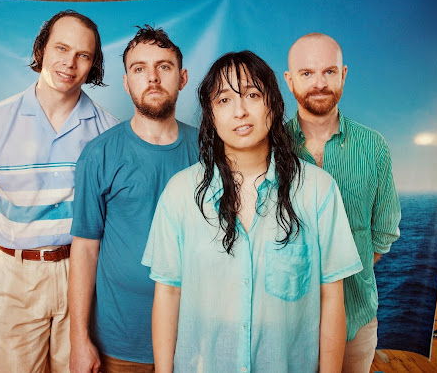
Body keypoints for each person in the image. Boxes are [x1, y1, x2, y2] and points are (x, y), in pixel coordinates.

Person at [143, 50, 363, 372]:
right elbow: (167, 295)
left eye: (252, 95)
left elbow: (331, 297)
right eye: (224, 100)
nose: (240, 111)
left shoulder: (318, 190)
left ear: (273, 104)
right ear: (211, 115)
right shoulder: (179, 193)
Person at [0, 10, 118, 373]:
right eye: (61, 48)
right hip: (16, 275)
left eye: (83, 55)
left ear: (93, 64)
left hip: (83, 275)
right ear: (41, 49)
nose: (70, 63)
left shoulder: (109, 131)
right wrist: (24, 240)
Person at [68, 25, 199, 373]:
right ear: (126, 83)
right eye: (139, 69)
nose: (152, 78)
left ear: (182, 78)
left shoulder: (210, 151)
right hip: (120, 340)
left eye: (164, 67)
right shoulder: (99, 154)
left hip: (193, 337)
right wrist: (78, 339)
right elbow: (85, 248)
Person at [284, 33, 401, 373]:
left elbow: (383, 231)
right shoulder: (271, 148)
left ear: (344, 74)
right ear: (289, 80)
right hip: (286, 322)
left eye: (329, 72)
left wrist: (349, 272)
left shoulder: (373, 146)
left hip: (356, 317)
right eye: (307, 73)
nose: (319, 83)